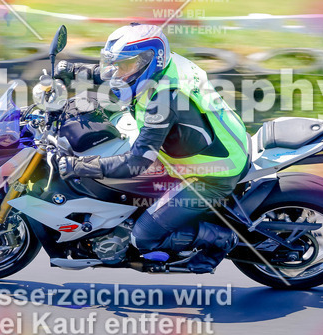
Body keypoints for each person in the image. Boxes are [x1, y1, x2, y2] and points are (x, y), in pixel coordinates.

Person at [53, 23, 250, 273]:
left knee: (143, 236)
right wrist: (73, 70)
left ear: (149, 61)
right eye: (117, 63)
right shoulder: (164, 65)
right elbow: (119, 74)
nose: (118, 71)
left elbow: (136, 163)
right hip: (210, 141)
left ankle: (223, 240)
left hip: (212, 173)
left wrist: (80, 166)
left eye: (125, 65)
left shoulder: (164, 101)